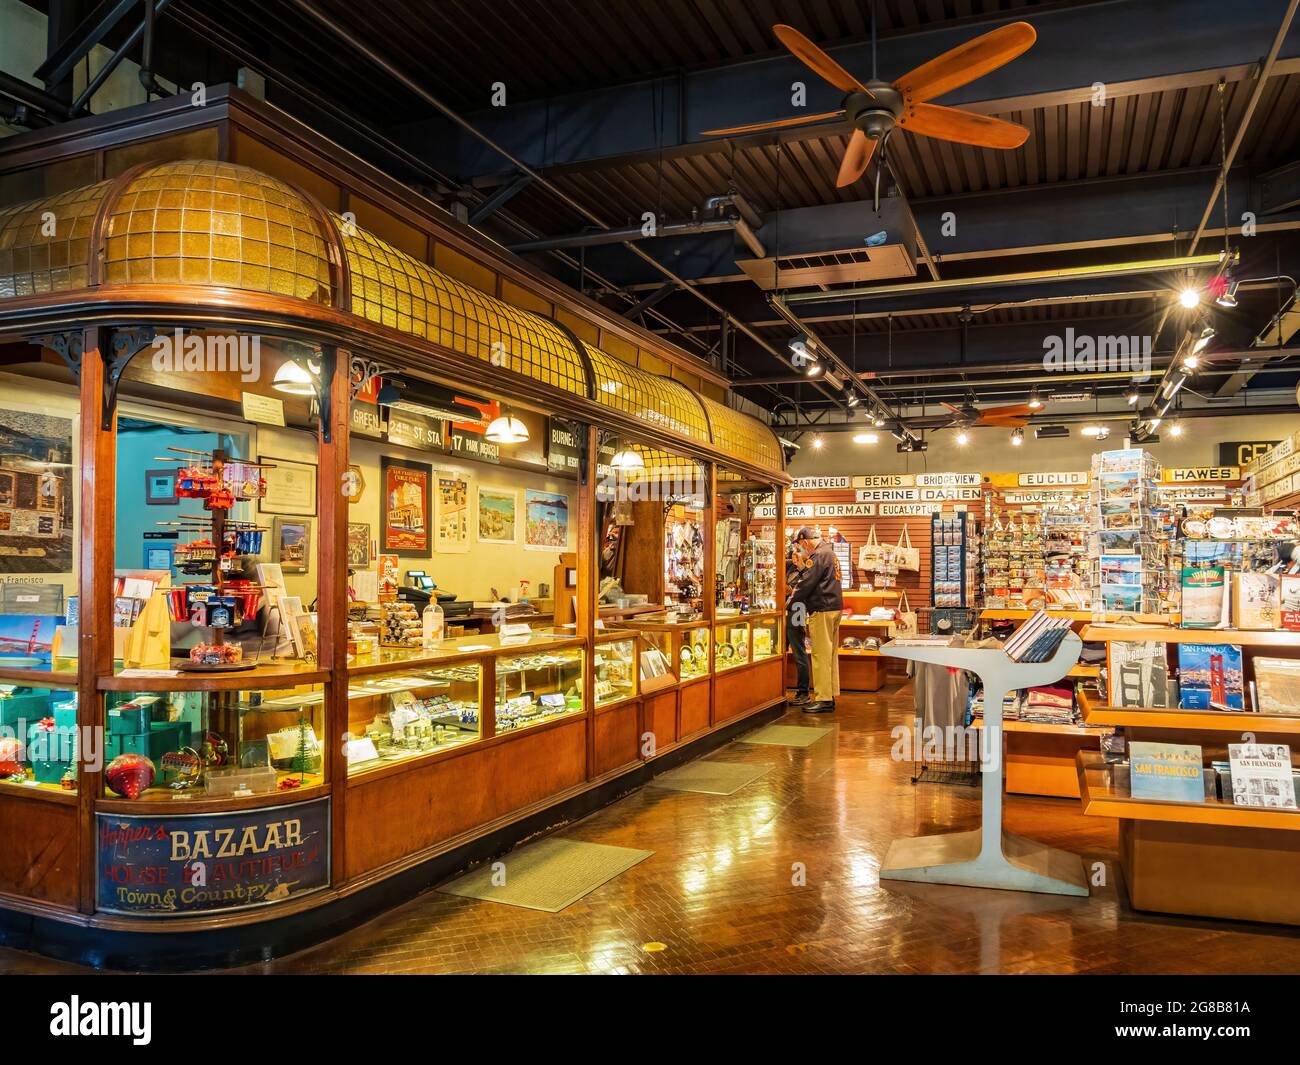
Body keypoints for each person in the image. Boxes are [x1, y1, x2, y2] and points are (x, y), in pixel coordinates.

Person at [788, 526, 842, 714]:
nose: (802, 549)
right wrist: (803, 567)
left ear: (804, 542)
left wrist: (790, 602)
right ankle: (830, 694)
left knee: (820, 654)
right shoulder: (829, 552)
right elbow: (816, 578)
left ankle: (823, 698)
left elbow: (807, 584)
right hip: (834, 607)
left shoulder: (818, 555)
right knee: (830, 654)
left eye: (801, 545)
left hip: (822, 609)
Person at [785, 543, 810, 705]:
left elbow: (803, 588)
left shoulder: (808, 570)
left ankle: (803, 692)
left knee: (799, 652)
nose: (794, 556)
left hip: (798, 610)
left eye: (797, 553)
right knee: (779, 651)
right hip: (785, 610)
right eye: (793, 553)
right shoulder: (788, 567)